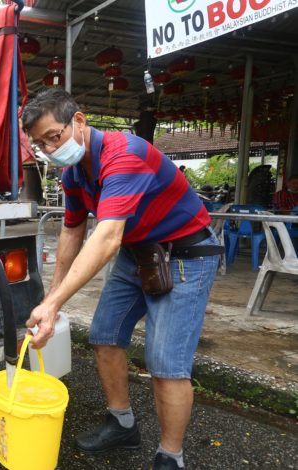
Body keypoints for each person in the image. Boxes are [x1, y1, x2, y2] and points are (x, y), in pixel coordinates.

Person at [22, 89, 222, 470]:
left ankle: (170, 457)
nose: (50, 148)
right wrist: (52, 300)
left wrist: (52, 305)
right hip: (139, 252)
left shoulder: (126, 154)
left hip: (185, 255)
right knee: (104, 336)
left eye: (54, 136)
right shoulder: (74, 174)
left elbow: (107, 238)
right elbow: (72, 232)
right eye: (40, 144)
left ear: (79, 121)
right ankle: (122, 423)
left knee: (165, 364)